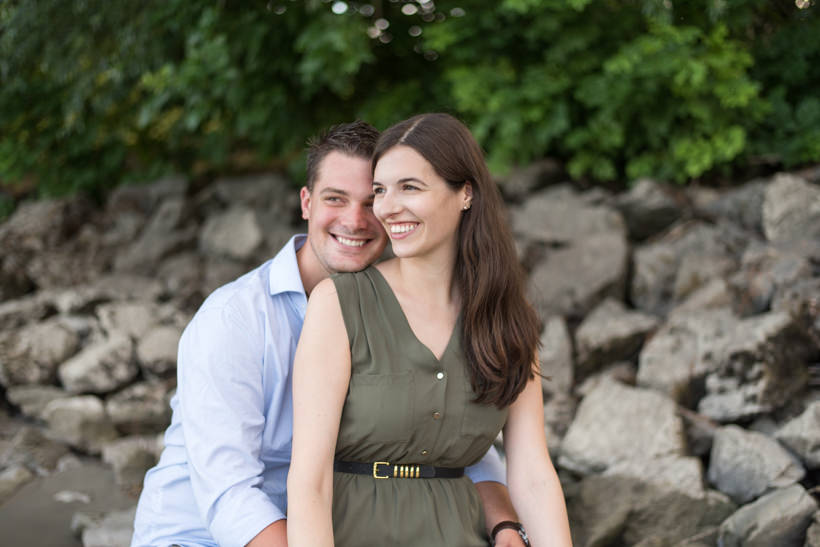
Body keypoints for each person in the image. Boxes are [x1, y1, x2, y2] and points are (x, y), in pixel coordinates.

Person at [130, 121, 527, 547]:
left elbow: (453, 444)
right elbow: (230, 496)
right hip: (203, 536)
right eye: (335, 199)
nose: (355, 221)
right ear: (306, 202)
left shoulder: (400, 308)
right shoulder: (234, 319)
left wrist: (506, 527)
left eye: (370, 200)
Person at [287, 113, 573, 547]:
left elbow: (533, 475)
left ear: (465, 194)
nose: (386, 207)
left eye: (410, 188)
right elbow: (310, 482)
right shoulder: (338, 304)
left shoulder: (509, 317)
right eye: (382, 190)